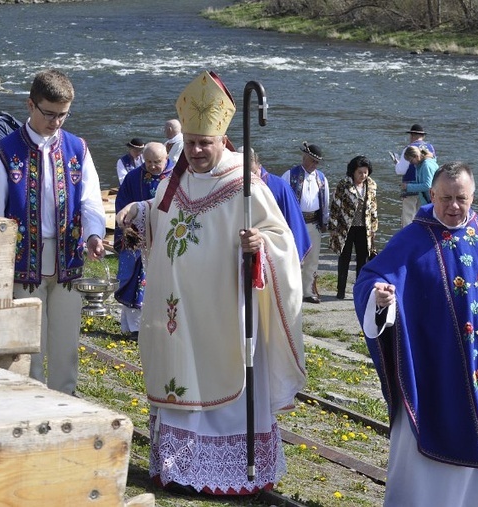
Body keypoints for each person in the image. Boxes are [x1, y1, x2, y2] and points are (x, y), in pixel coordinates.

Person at [115, 70, 305, 495]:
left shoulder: (243, 186)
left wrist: (261, 244)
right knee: (181, 377)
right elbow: (161, 220)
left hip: (225, 313)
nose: (198, 151)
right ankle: (180, 469)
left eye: (206, 143)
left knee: (224, 378)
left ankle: (234, 471)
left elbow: (281, 241)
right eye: (192, 143)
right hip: (179, 314)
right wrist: (138, 214)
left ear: (223, 140)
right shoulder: (173, 180)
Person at [353, 161, 478, 507]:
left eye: (461, 199)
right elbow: (371, 277)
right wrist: (379, 298)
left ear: (473, 196)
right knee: (424, 473)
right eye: (445, 197)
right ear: (431, 194)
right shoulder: (412, 240)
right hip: (431, 374)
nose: (453, 206)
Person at [0, 69, 106, 395]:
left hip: (68, 259)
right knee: (29, 346)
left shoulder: (77, 148)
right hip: (23, 262)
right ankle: (31, 405)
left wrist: (93, 234)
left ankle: (65, 402)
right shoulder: (5, 152)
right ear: (30, 105)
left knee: (66, 344)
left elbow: (91, 200)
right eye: (49, 114)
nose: (56, 122)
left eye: (63, 115)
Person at [114, 142, 172, 340]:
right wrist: (126, 226)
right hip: (138, 238)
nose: (153, 166)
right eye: (148, 162)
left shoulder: (178, 177)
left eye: (157, 162)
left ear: (167, 158)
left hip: (166, 236)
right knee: (134, 281)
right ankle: (134, 327)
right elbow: (122, 203)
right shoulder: (133, 177)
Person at [244, 147, 311, 262]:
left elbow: (293, 222)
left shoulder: (280, 187)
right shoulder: (233, 188)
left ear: (258, 165)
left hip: (274, 253)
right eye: (245, 176)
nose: (250, 179)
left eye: (253, 173)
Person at [283, 142, 329, 304]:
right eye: (312, 160)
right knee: (294, 258)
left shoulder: (321, 178)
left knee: (312, 259)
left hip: (314, 223)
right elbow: (282, 200)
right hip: (295, 223)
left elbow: (326, 202)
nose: (314, 165)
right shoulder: (290, 175)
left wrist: (324, 222)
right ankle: (291, 291)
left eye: (317, 162)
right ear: (304, 157)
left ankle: (307, 291)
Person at [329, 155, 378, 300]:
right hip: (346, 228)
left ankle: (359, 290)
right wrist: (333, 227)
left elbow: (373, 207)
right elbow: (335, 206)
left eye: (365, 172)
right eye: (360, 172)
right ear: (353, 171)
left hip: (364, 228)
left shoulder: (371, 185)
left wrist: (374, 227)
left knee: (362, 260)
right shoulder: (343, 184)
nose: (363, 175)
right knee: (344, 258)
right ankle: (341, 290)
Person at [393, 123, 436, 227]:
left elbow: (401, 170)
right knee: (422, 219)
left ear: (412, 135)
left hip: (411, 188)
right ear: (423, 136)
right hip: (426, 194)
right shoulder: (431, 148)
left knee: (408, 220)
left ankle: (408, 241)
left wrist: (396, 163)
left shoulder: (409, 149)